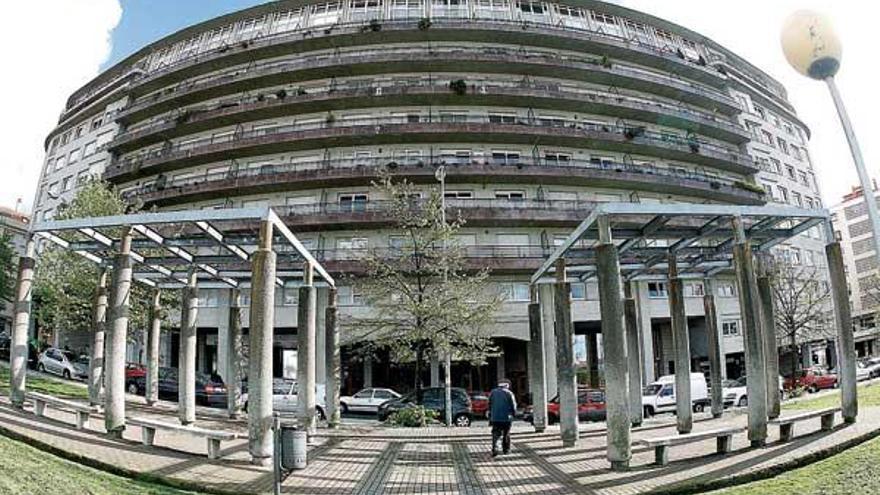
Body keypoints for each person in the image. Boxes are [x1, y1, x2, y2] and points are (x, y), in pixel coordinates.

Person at [488, 379, 517, 457]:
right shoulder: (509, 393)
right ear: (506, 386)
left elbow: (489, 404)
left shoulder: (493, 392)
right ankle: (506, 450)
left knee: (495, 433)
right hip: (506, 417)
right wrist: (514, 414)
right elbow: (513, 406)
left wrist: (491, 415)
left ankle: (495, 449)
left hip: (495, 417)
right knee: (506, 433)